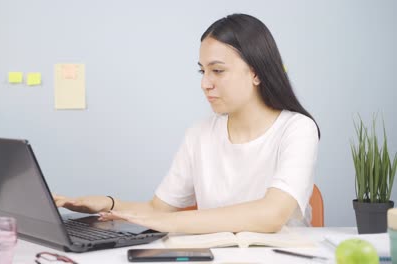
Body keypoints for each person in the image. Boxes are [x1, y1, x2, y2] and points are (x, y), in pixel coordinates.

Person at [54, 13, 320, 234]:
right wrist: (108, 204)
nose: (205, 83)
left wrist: (169, 223)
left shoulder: (297, 129)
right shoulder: (200, 134)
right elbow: (158, 210)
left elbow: (271, 215)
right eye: (201, 71)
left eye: (217, 70)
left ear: (256, 73)